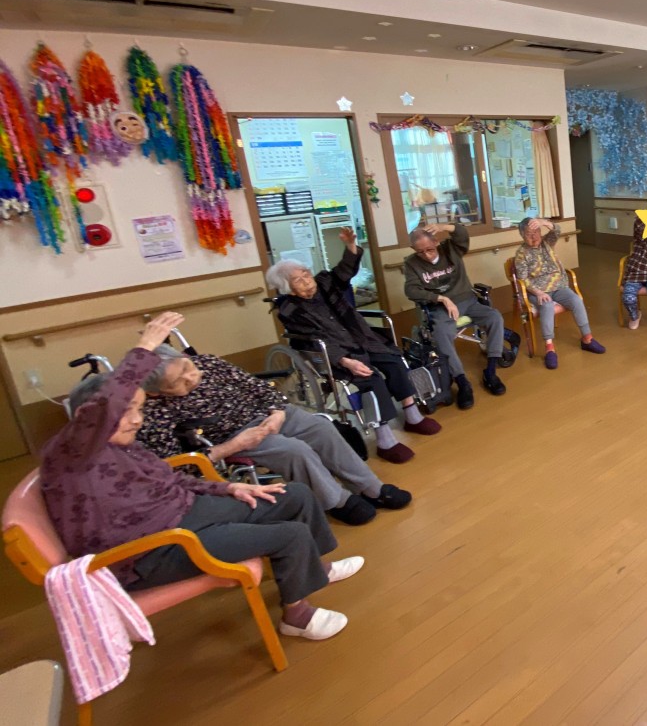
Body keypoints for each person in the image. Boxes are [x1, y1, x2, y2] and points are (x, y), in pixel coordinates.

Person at [44, 313, 362, 642]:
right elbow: (107, 406)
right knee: (290, 534)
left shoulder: (121, 448)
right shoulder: (73, 455)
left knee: (295, 495)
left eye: (138, 409)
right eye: (126, 411)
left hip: (184, 515)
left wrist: (228, 487)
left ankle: (316, 569)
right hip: (149, 551)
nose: (136, 420)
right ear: (86, 418)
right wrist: (146, 345)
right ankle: (297, 616)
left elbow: (169, 477)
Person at [139, 343, 412, 526]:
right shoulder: (152, 412)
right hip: (233, 438)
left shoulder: (208, 362)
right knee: (293, 450)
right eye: (177, 382)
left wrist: (278, 412)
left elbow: (258, 387)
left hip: (268, 413)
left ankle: (370, 487)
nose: (191, 378)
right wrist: (232, 446)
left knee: (321, 428)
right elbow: (176, 466)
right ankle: (337, 501)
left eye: (187, 368)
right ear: (154, 392)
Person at [267, 226, 439, 463]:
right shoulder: (289, 310)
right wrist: (345, 361)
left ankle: (412, 416)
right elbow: (311, 341)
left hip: (361, 338)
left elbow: (344, 271)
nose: (307, 280)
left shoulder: (324, 282)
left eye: (306, 273)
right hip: (337, 354)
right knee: (371, 380)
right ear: (287, 288)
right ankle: (384, 439)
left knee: (394, 361)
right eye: (298, 279)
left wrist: (350, 246)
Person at [403, 221, 507, 409]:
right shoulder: (411, 263)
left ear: (436, 242)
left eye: (429, 249)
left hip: (468, 301)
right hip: (441, 308)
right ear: (413, 249)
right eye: (420, 252)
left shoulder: (450, 249)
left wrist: (445, 227)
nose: (426, 255)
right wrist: (441, 298)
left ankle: (491, 371)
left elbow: (462, 235)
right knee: (441, 334)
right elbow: (411, 290)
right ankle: (462, 381)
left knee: (495, 317)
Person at [512, 217, 605, 369]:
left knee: (576, 300)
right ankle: (549, 348)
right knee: (547, 305)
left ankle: (587, 339)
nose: (534, 236)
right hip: (537, 291)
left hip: (559, 287)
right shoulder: (521, 254)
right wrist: (538, 293)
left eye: (536, 231)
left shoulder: (547, 242)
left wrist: (543, 222)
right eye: (529, 233)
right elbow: (523, 280)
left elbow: (557, 230)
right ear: (522, 235)